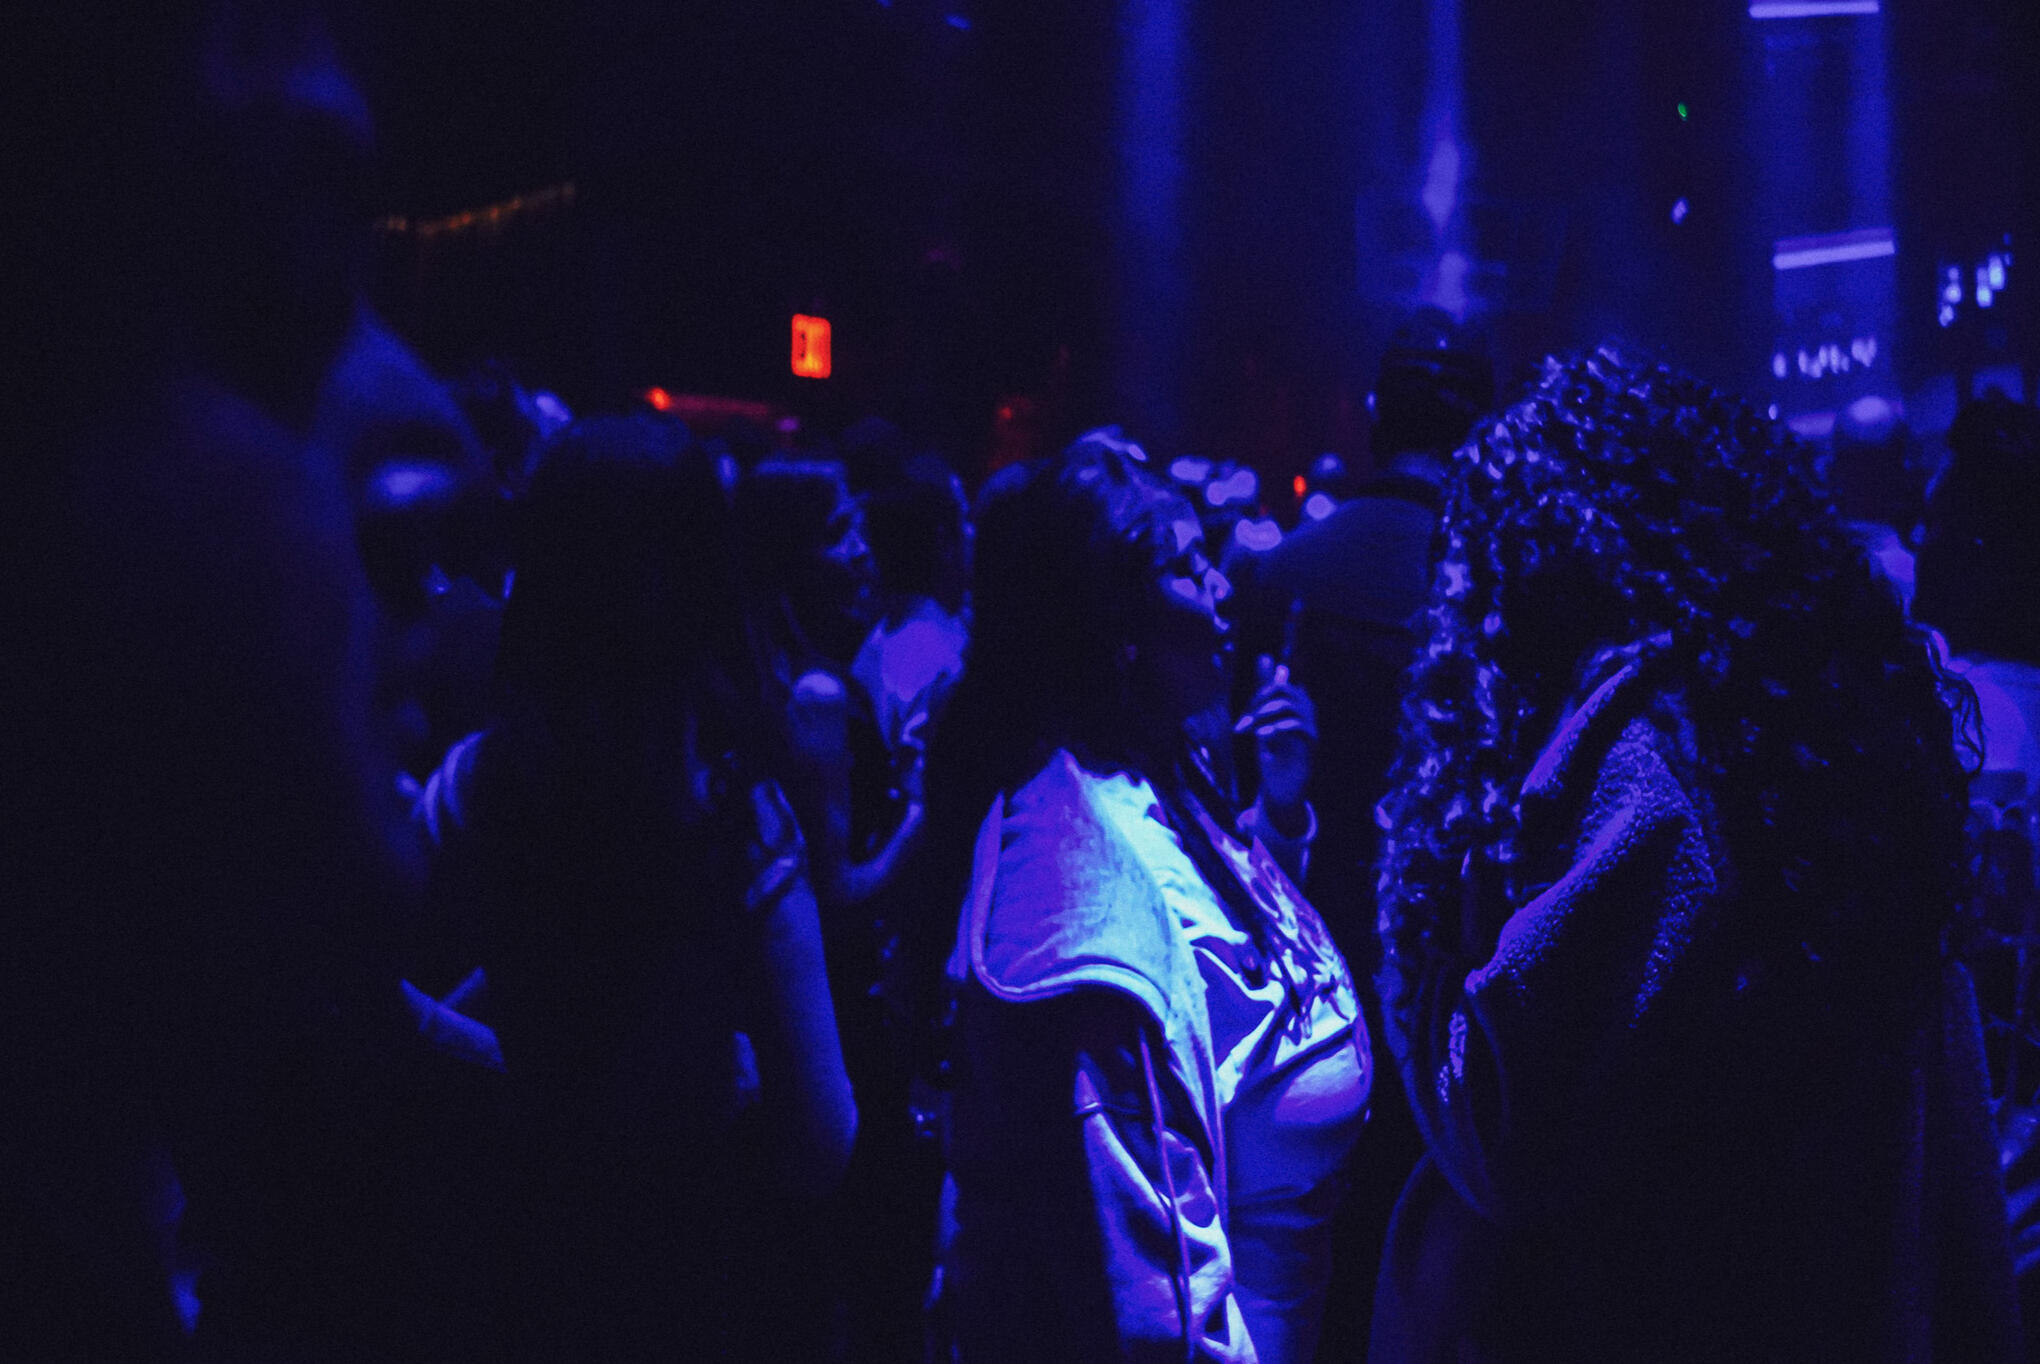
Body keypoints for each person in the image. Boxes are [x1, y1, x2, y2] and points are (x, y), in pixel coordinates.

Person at [1369, 350, 2020, 1361]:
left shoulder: (1656, 763)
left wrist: (1423, 883)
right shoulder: (1825, 714)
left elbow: (1501, 1123)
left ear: (1553, 560)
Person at [413, 416, 855, 1357]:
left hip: (522, 1268)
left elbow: (378, 1000)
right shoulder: (735, 811)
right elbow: (822, 1137)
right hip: (696, 1279)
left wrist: (528, 1067)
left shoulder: (474, 784)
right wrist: (711, 1083)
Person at [928, 436, 1371, 1362]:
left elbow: (1220, 974)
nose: (1221, 587)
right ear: (1112, 622)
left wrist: (1278, 817)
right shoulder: (1080, 923)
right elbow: (1159, 1326)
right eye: (1187, 566)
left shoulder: (1159, 762)